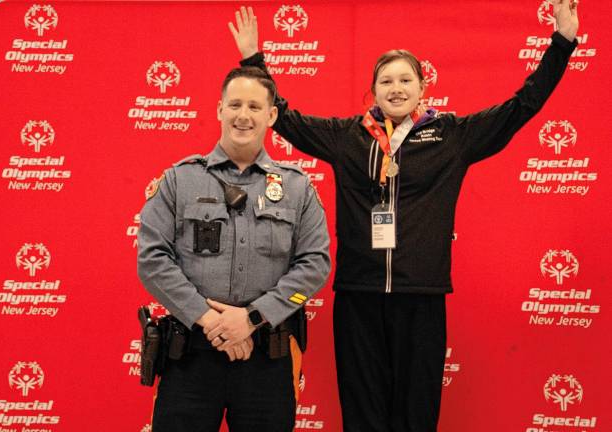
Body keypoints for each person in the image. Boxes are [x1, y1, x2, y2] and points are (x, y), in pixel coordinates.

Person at [228, 1, 579, 431]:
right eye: (386, 81)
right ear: (373, 90)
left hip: (422, 298)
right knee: (363, 413)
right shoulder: (347, 138)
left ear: (422, 87)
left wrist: (561, 43)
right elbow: (286, 118)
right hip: (359, 296)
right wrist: (253, 60)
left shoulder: (451, 136)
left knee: (416, 415)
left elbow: (521, 106)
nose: (396, 88)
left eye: (405, 79)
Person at [137, 65, 330, 432]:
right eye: (235, 104)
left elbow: (315, 265)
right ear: (219, 109)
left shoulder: (297, 188)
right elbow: (152, 260)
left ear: (272, 115)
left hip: (266, 360)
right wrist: (211, 321)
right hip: (190, 356)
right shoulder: (180, 179)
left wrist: (251, 319)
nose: (244, 115)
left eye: (255, 107)